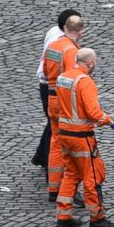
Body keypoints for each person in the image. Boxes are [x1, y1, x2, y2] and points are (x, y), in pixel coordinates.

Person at [54, 48, 114, 227]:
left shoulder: (63, 77)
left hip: (64, 134)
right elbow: (93, 112)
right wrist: (110, 122)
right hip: (81, 138)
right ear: (90, 63)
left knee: (71, 174)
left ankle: (64, 216)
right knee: (92, 177)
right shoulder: (85, 81)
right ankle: (97, 219)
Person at [31, 8, 81, 170]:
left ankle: (41, 156)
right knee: (55, 128)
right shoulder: (64, 45)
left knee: (51, 123)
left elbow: (46, 65)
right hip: (55, 89)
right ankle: (46, 160)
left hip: (47, 83)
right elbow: (69, 74)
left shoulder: (54, 33)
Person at [42, 14, 84, 201]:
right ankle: (68, 189)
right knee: (69, 145)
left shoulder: (52, 46)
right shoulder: (71, 51)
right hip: (64, 102)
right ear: (80, 32)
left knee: (55, 143)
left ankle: (53, 187)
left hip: (51, 98)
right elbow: (71, 78)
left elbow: (45, 71)